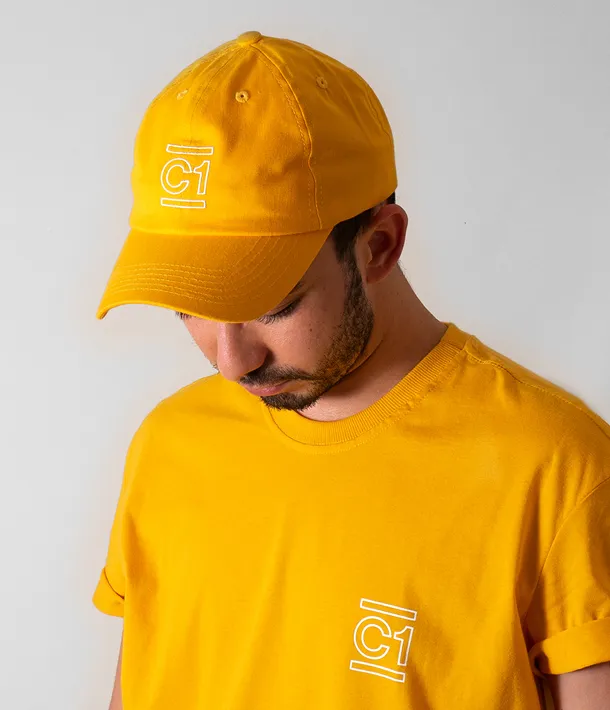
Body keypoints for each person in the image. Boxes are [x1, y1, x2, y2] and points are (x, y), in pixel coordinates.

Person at [93, 31, 610, 710]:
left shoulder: (555, 467)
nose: (232, 361)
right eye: (188, 307)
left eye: (271, 305)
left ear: (379, 245)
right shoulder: (168, 445)